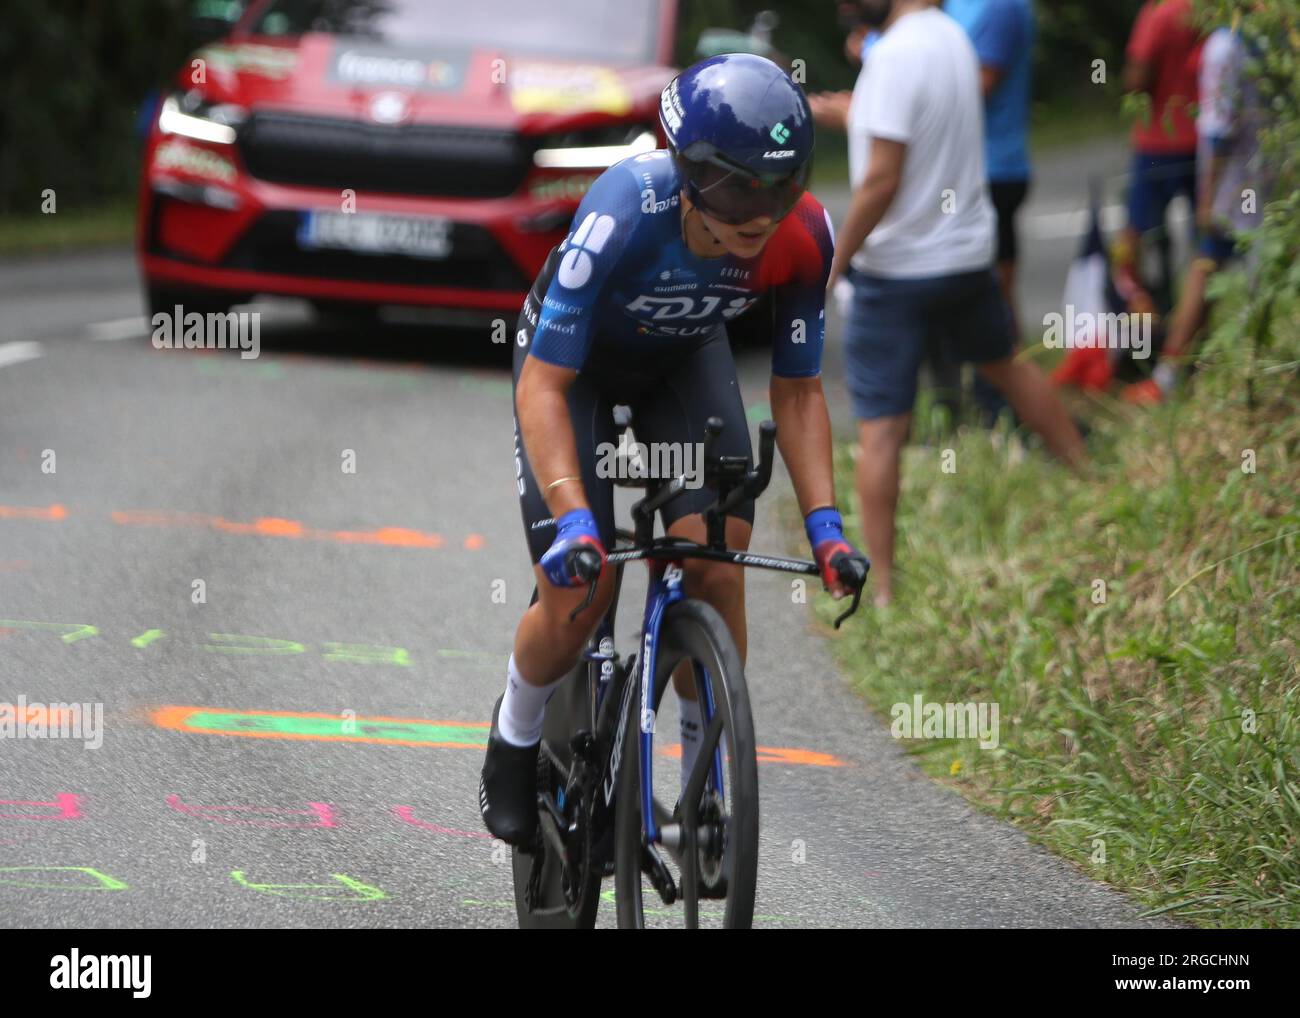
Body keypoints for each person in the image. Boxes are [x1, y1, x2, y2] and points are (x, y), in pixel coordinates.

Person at [480, 54, 868, 846]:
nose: (760, 222)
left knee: (717, 566)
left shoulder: (806, 235)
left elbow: (797, 393)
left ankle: (703, 785)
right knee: (578, 597)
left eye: (779, 191)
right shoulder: (625, 204)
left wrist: (826, 525)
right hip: (573, 370)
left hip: (681, 362)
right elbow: (545, 387)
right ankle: (513, 736)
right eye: (739, 198)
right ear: (689, 177)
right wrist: (575, 519)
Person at [829, 0, 1085, 607]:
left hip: (895, 272)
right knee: (1008, 366)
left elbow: (882, 178)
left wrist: (837, 260)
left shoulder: (891, 57)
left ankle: (883, 589)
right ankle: (1086, 475)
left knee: (884, 429)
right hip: (968, 257)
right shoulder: (952, 37)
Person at [1123, 20, 1270, 404]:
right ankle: (1203, 370)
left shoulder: (1214, 40)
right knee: (1224, 267)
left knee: (1199, 262)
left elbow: (1219, 126)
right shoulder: (1261, 33)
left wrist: (1208, 197)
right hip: (1254, 175)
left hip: (1212, 174)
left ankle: (1171, 371)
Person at [945, 0, 1036, 423]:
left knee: (989, 296)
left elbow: (978, 84)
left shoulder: (997, 6)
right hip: (967, 171)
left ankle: (1006, 408)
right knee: (983, 294)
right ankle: (995, 404)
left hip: (993, 173)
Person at [1118, 0, 1204, 309]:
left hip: (1157, 142)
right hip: (1202, 140)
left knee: (1134, 231)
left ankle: (1141, 309)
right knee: (1205, 239)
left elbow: (1137, 80)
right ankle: (1197, 318)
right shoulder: (1209, 9)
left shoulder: (1158, 13)